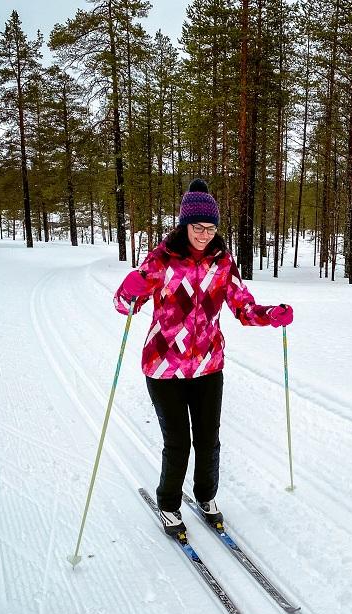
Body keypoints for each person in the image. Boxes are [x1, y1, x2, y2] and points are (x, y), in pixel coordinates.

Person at [113, 178, 293, 536]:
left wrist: (270, 314)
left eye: (211, 228)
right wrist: (128, 291)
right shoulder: (163, 259)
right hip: (164, 367)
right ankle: (168, 503)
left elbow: (243, 307)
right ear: (184, 224)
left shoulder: (222, 261)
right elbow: (125, 305)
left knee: (208, 438)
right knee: (177, 442)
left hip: (209, 365)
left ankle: (205, 497)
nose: (205, 234)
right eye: (198, 227)